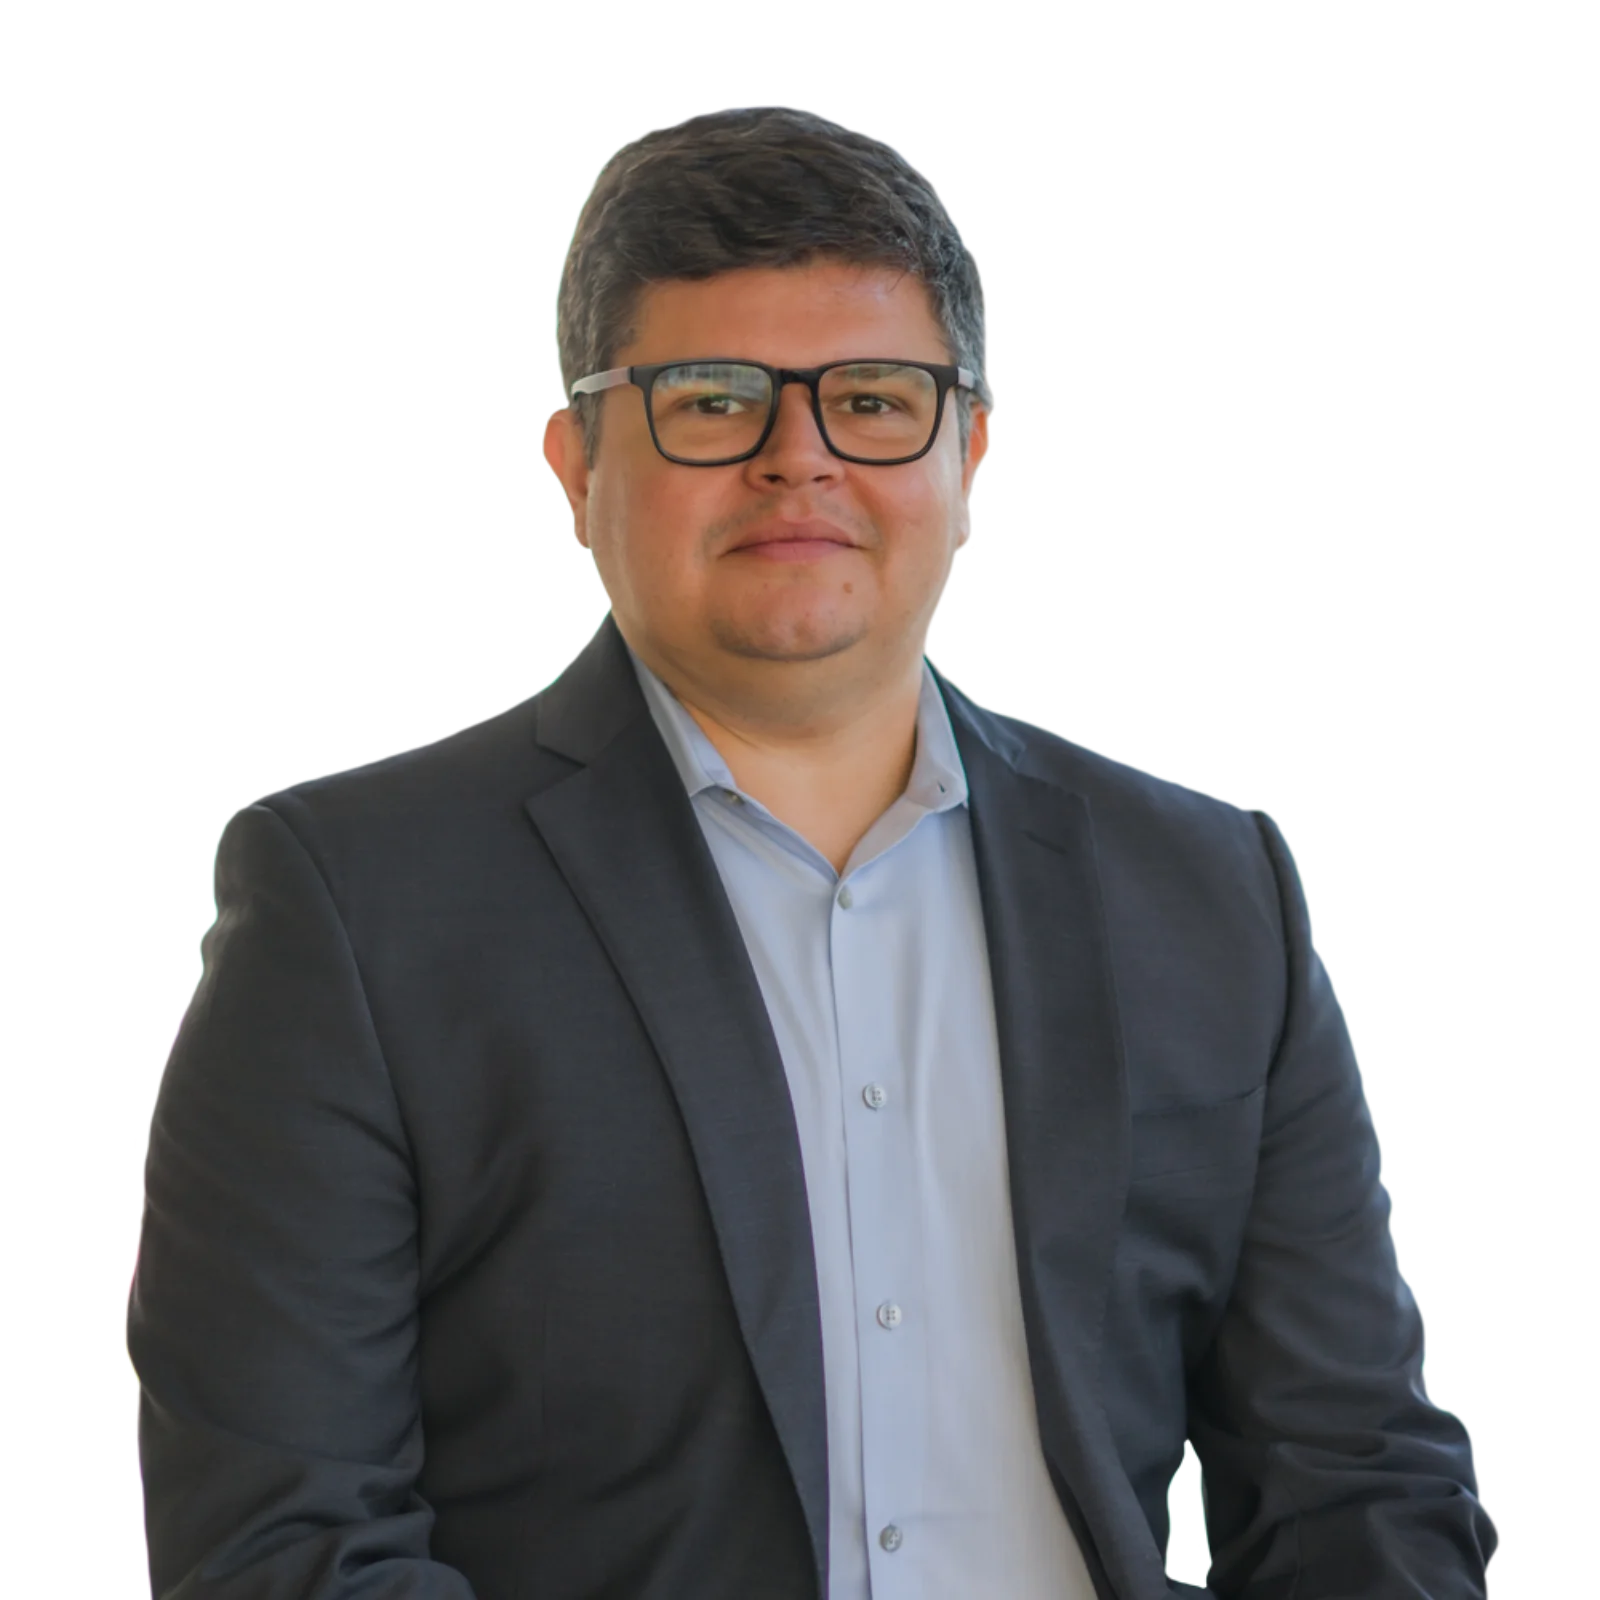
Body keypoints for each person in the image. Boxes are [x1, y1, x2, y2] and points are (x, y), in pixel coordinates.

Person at [126, 106, 1497, 1598]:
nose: (801, 459)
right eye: (712, 401)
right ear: (577, 460)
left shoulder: (1206, 889)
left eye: (874, 399)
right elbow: (284, 1544)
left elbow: (1357, 1475)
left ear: (968, 446)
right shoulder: (352, 906)